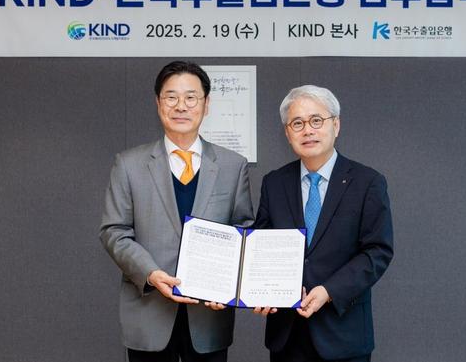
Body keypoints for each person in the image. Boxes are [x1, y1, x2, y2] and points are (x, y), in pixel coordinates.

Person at [100, 61, 253, 362]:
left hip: (209, 316)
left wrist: (228, 284)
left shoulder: (233, 166)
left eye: (191, 97)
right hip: (149, 312)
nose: (181, 106)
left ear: (206, 105)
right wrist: (150, 273)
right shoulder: (129, 164)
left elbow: (243, 230)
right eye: (171, 97)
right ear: (158, 103)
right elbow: (114, 231)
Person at [253, 85, 393, 362]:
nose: (308, 130)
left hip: (344, 334)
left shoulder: (367, 182)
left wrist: (329, 292)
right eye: (297, 123)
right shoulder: (274, 183)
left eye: (316, 120)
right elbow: (261, 243)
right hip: (287, 336)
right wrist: (260, 288)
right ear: (287, 133)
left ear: (336, 125)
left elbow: (377, 251)